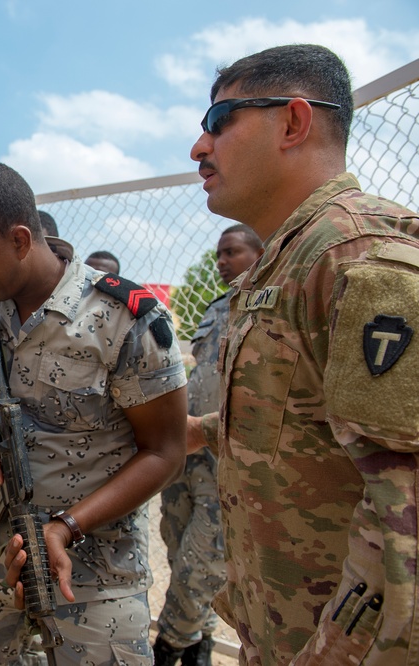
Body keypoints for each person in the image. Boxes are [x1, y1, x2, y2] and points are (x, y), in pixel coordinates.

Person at [186, 44, 419, 665]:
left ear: (293, 122)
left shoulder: (356, 254)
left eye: (218, 122)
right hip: (279, 635)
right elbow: (309, 420)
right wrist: (203, 431)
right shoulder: (286, 261)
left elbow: (404, 518)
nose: (198, 148)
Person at [0, 161, 188, 665]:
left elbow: (165, 453)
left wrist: (67, 527)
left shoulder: (124, 318)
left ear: (19, 240)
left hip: (93, 561)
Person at [153, 224, 263, 666]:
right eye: (219, 253)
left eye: (231, 252)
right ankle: (198, 648)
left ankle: (164, 649)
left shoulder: (272, 307)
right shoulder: (217, 309)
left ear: (261, 252)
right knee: (179, 550)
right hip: (187, 455)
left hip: (226, 457)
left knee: (199, 569)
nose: (221, 262)